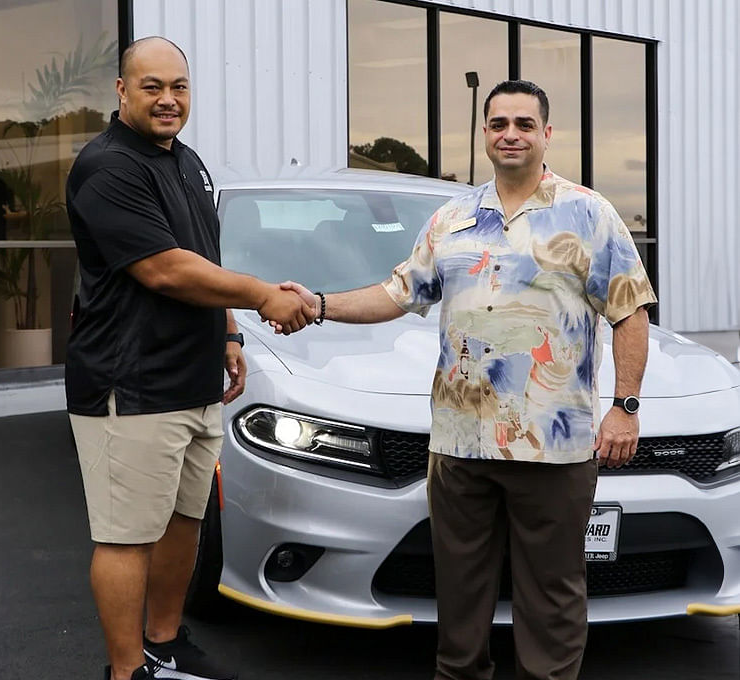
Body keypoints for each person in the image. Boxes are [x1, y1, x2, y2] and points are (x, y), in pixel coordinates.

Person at [272, 80, 657, 680]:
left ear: (546, 134)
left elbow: (631, 310)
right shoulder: (452, 218)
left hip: (553, 450)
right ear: (483, 133)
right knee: (459, 602)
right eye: (498, 123)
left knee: (552, 602)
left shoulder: (588, 213)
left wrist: (625, 406)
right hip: (459, 447)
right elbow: (398, 292)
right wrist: (319, 303)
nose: (510, 134)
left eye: (524, 124)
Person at [65, 37, 314, 680]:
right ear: (122, 92)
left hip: (193, 380)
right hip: (131, 385)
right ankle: (127, 672)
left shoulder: (186, 162)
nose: (168, 100)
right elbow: (166, 271)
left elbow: (200, 255)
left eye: (179, 87)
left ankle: (166, 644)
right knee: (127, 535)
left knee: (183, 521)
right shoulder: (108, 168)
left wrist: (228, 333)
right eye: (152, 87)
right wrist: (262, 296)